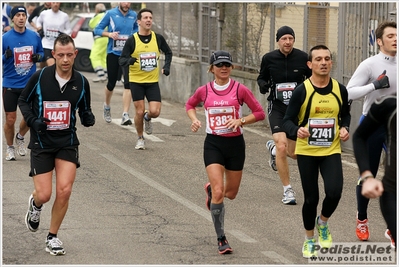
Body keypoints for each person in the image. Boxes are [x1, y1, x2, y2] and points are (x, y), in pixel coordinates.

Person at [18, 33, 95, 256]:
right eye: (60, 55)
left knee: (65, 190)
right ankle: (35, 203)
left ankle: (52, 236)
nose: (65, 60)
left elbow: (84, 109)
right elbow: (23, 100)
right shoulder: (40, 77)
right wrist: (33, 121)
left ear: (75, 54)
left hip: (67, 142)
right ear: (53, 54)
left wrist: (88, 118)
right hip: (42, 142)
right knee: (44, 194)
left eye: (69, 55)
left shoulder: (81, 81)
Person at [185, 50, 265, 254]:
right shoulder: (204, 90)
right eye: (219, 65)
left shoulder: (240, 89)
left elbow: (260, 113)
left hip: (235, 145)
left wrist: (241, 120)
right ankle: (221, 238)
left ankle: (211, 191)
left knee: (231, 193)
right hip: (213, 144)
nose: (223, 68)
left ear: (231, 68)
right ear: (211, 68)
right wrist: (194, 119)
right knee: (220, 191)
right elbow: (190, 104)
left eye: (227, 65)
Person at [282, 45, 351, 258]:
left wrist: (345, 127)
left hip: (331, 150)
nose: (323, 62)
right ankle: (309, 239)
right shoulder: (302, 90)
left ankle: (323, 222)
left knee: (334, 192)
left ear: (331, 63)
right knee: (311, 199)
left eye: (327, 59)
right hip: (307, 151)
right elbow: (287, 121)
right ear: (310, 64)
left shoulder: (340, 89)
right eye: (318, 59)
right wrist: (297, 130)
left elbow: (345, 115)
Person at [346, 21, 397, 243]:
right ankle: (362, 218)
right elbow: (348, 92)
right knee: (369, 173)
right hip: (373, 124)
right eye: (391, 36)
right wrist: (374, 86)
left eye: (397, 36)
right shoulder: (370, 64)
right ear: (379, 41)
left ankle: (393, 227)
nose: (396, 39)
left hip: (395, 126)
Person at [257, 26, 311, 205]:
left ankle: (272, 149)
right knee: (282, 146)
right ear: (278, 40)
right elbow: (261, 77)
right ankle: (288, 190)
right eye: (284, 39)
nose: (287, 42)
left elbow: (313, 79)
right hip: (278, 107)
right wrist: (263, 85)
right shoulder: (269, 58)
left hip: (296, 110)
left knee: (294, 154)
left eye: (290, 38)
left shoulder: (303, 58)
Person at [119, 8, 172, 149]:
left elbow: (168, 52)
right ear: (139, 21)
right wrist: (129, 61)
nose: (148, 20)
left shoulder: (158, 38)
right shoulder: (132, 40)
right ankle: (140, 138)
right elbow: (121, 59)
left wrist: (167, 67)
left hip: (152, 81)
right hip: (136, 81)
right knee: (139, 111)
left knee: (155, 111)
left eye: (150, 18)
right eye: (145, 18)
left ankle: (148, 118)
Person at [352, 95, 396, 249]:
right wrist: (367, 175)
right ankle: (362, 217)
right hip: (392, 194)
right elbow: (359, 136)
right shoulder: (389, 104)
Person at [2, 6, 44, 161]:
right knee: (10, 119)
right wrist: (5, 57)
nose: (21, 18)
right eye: (18, 15)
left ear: (26, 18)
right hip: (10, 84)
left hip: (29, 84)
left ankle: (20, 137)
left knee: (29, 117)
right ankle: (9, 147)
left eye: (23, 15)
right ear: (13, 19)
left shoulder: (34, 36)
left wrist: (37, 58)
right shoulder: (5, 38)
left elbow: (41, 53)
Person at [94, 2, 138, 126]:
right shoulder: (110, 13)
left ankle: (125, 114)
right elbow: (97, 30)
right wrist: (109, 34)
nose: (126, 4)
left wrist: (133, 36)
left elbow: (136, 29)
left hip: (127, 55)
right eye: (124, 1)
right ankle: (107, 106)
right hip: (113, 53)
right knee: (111, 83)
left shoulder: (133, 15)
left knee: (128, 84)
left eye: (129, 2)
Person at [36, 2, 71, 67]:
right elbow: (38, 21)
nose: (55, 4)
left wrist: (64, 34)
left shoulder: (64, 16)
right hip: (46, 44)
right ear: (51, 3)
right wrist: (39, 28)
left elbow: (69, 29)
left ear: (60, 4)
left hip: (58, 45)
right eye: (54, 3)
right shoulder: (44, 13)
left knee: (45, 67)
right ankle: (43, 75)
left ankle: (43, 75)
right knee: (51, 65)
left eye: (57, 3)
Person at [89, 3, 108, 83]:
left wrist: (95, 15)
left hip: (100, 38)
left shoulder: (98, 16)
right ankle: (106, 74)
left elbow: (91, 24)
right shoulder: (107, 14)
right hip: (107, 38)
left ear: (97, 10)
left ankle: (100, 75)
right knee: (103, 57)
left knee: (94, 56)